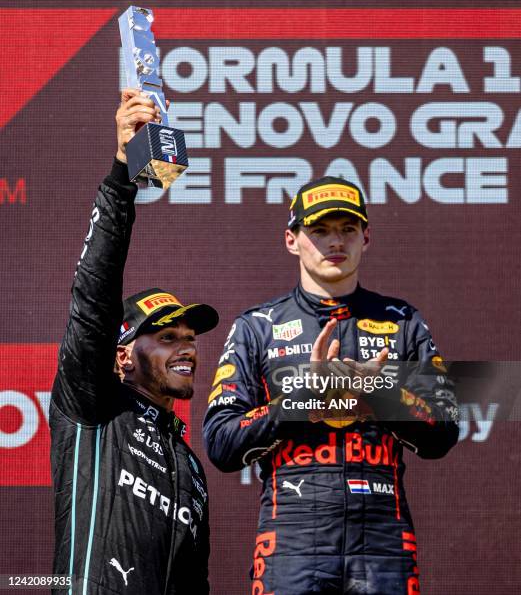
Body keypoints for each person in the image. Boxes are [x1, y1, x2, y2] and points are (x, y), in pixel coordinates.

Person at [203, 177, 459, 594]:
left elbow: (444, 430)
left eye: (347, 229)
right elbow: (220, 442)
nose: (334, 242)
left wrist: (381, 395)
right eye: (319, 230)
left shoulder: (402, 321)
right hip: (291, 538)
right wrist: (301, 399)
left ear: (366, 237)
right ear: (291, 239)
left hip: (382, 539)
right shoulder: (257, 327)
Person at [50, 88, 218, 594]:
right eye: (167, 337)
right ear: (122, 355)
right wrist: (124, 172)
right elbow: (94, 295)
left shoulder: (190, 465)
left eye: (189, 338)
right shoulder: (95, 405)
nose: (186, 347)